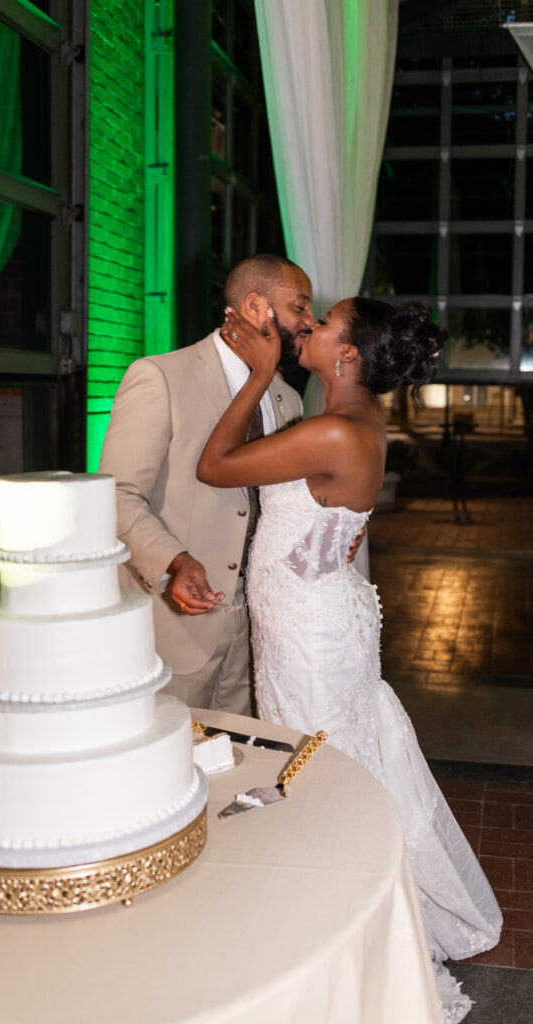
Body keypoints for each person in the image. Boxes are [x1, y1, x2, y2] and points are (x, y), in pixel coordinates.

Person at [197, 296, 502, 1023]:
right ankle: (359, 888)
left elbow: (215, 466)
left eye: (321, 323)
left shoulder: (333, 428)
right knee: (342, 754)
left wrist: (256, 372)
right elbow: (336, 523)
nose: (306, 327)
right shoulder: (355, 421)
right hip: (318, 611)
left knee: (322, 765)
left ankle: (347, 908)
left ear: (348, 356)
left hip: (309, 629)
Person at [98, 255, 311, 715]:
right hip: (175, 626)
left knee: (238, 763)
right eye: (300, 307)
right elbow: (116, 495)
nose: (309, 322)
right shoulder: (160, 377)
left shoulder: (288, 397)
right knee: (163, 769)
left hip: (261, 632)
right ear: (257, 308)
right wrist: (174, 561)